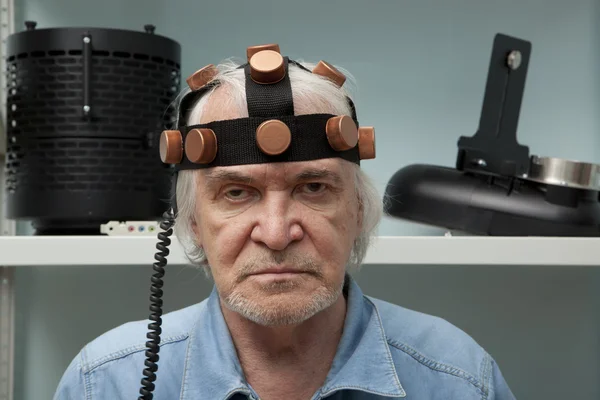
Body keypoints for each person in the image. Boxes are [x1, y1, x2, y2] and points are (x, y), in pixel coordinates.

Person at [54, 44, 516, 400]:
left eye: (313, 188)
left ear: (357, 211)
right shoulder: (106, 382)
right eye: (237, 193)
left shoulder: (457, 379)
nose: (276, 234)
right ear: (193, 221)